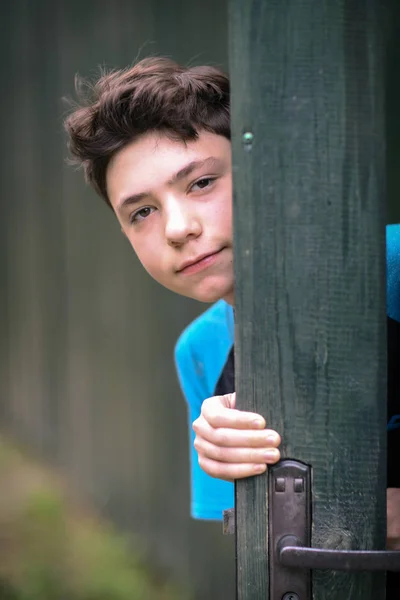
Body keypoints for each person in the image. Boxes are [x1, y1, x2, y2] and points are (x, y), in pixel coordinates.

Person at [64, 56, 399, 586]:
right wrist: (255, 494)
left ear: (266, 175)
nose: (177, 228)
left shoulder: (395, 266)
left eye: (200, 183)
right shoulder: (200, 349)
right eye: (141, 212)